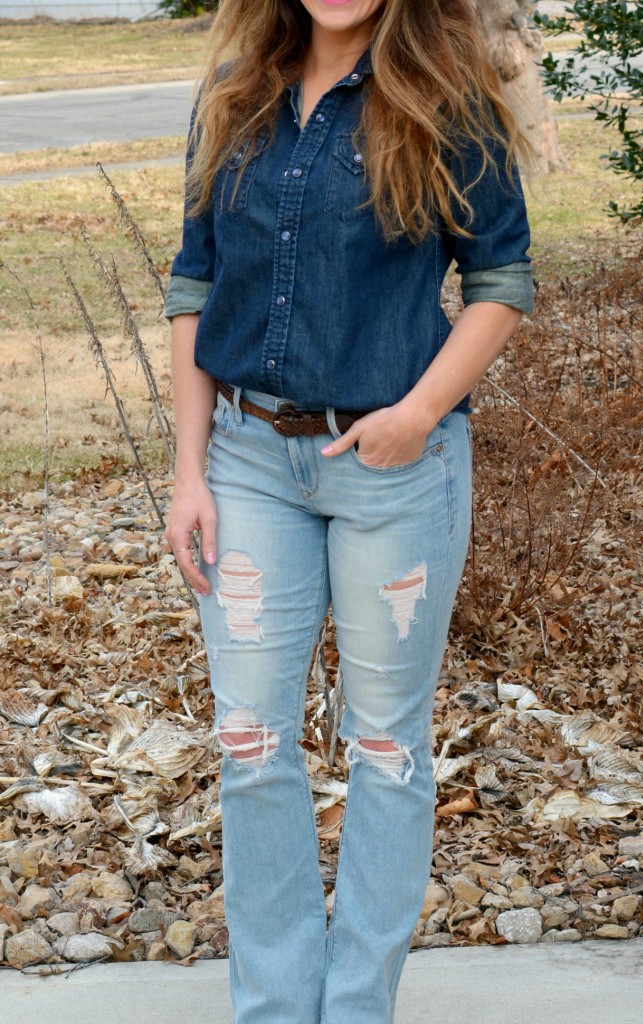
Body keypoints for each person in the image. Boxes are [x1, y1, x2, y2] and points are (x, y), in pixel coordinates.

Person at [164, 1, 533, 1021]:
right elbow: (193, 285)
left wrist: (416, 413)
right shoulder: (234, 96)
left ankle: (357, 1005)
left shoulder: (448, 98)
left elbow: (500, 277)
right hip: (243, 461)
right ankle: (278, 1008)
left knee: (385, 746)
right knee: (249, 741)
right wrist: (188, 471)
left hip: (394, 473)